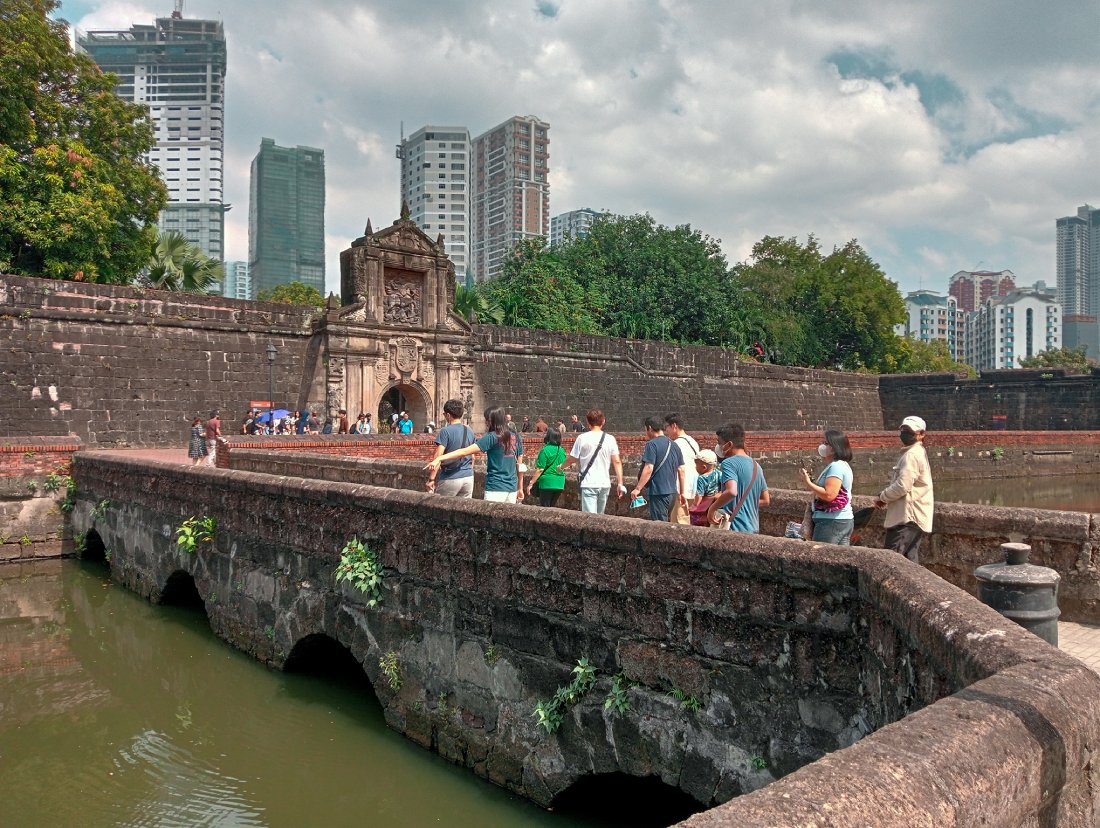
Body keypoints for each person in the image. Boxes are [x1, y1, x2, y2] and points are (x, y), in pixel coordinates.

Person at [425, 406, 524, 503]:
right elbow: (520, 466)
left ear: (491, 420)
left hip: (496, 486)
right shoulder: (516, 437)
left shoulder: (492, 437)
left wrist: (440, 458)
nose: (486, 423)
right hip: (512, 488)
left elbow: (464, 451)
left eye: (487, 420)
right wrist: (520, 488)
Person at [874, 416, 934, 563]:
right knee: (909, 561)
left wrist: (882, 497)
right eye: (903, 430)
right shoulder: (916, 452)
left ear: (921, 434)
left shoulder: (911, 455)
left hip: (906, 517)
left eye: (909, 431)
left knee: (893, 562)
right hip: (913, 516)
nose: (905, 434)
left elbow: (902, 486)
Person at [559, 409, 625, 514]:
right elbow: (617, 461)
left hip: (589, 483)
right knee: (600, 516)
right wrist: (620, 483)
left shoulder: (582, 438)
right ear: (603, 421)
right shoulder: (610, 439)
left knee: (590, 518)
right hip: (604, 483)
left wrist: (561, 467)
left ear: (588, 422)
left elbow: (572, 458)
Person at [707, 423, 770, 532]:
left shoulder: (728, 463)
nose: (718, 447)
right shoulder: (756, 466)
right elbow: (766, 500)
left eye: (719, 443)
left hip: (735, 526)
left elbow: (731, 491)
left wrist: (712, 509)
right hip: (753, 527)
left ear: (729, 444)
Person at [798, 429, 855, 545]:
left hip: (831, 522)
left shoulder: (836, 467)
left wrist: (808, 483)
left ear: (834, 448)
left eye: (825, 443)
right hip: (839, 520)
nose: (822, 446)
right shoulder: (839, 466)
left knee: (820, 558)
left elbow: (829, 495)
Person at [630, 417, 686, 522]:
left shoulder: (652, 445)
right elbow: (681, 470)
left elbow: (649, 467)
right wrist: (682, 492)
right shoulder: (674, 445)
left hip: (658, 492)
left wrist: (638, 488)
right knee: (666, 522)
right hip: (672, 493)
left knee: (659, 525)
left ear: (649, 428)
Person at [427, 399, 475, 498]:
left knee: (440, 508)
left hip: (450, 476)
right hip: (468, 477)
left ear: (448, 415)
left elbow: (438, 457)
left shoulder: (445, 431)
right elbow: (473, 457)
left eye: (444, 414)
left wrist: (431, 479)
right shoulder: (469, 431)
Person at [664, 413, 701, 505]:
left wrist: (682, 492)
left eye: (666, 427)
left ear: (674, 426)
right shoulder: (692, 441)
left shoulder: (676, 444)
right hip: (694, 487)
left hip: (680, 488)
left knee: (678, 518)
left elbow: (680, 469)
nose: (666, 431)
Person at [526, 429, 567, 507]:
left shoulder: (545, 450)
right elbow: (564, 467)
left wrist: (531, 483)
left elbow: (540, 469)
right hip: (559, 482)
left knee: (545, 507)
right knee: (552, 507)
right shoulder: (562, 450)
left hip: (547, 482)